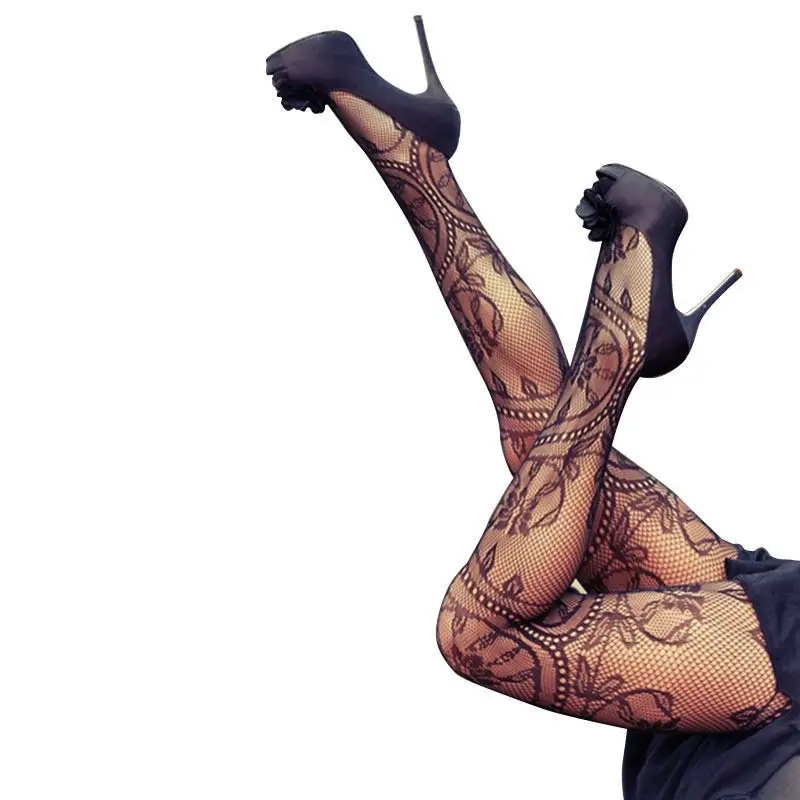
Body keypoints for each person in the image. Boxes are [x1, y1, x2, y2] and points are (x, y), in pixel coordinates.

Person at [266, 16, 800, 799]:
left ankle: (416, 154)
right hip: (771, 683)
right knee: (479, 632)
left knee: (544, 445)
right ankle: (625, 325)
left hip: (733, 687)